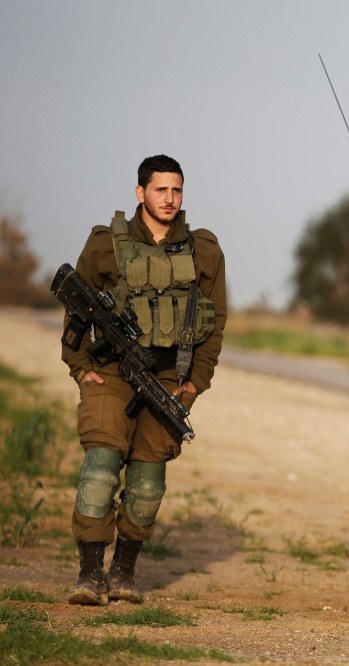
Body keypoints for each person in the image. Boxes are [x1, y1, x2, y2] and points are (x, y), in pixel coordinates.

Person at [63, 155, 226, 606]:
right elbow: (75, 309)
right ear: (141, 193)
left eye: (177, 190)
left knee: (148, 483)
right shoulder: (104, 245)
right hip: (112, 372)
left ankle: (123, 572)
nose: (170, 199)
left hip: (170, 378)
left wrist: (196, 383)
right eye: (161, 190)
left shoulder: (204, 251)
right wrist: (80, 366)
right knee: (100, 468)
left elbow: (217, 323)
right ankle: (90, 574)